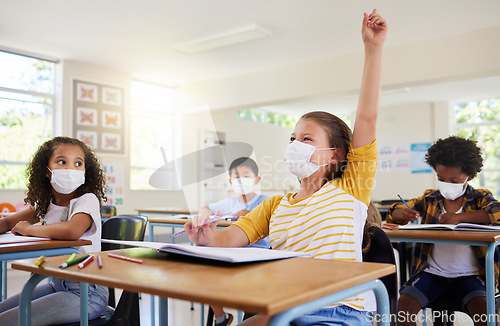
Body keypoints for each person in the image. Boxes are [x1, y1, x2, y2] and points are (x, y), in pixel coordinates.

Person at [185, 9, 387, 326]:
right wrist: (205, 236)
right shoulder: (273, 206)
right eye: (292, 137)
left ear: (334, 154)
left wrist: (372, 49)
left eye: (306, 138)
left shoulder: (350, 189)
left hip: (340, 310)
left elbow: (366, 118)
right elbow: (226, 241)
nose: (294, 143)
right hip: (287, 307)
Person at [386, 136, 500, 326]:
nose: (446, 184)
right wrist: (402, 213)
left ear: (469, 176)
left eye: (454, 180)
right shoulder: (430, 198)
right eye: (441, 179)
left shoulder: (480, 197)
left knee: (487, 318)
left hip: (470, 275)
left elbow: (497, 212)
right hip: (432, 274)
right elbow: (394, 212)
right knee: (400, 313)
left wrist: (459, 218)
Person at [0, 136, 108, 325]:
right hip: (58, 285)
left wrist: (29, 229)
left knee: (8, 321)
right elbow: (8, 222)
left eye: (78, 163)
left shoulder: (87, 200)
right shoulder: (46, 204)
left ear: (85, 171)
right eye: (61, 162)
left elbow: (71, 231)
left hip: (88, 293)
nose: (70, 169)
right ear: (46, 171)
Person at [199, 157, 269, 326]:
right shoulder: (229, 203)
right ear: (230, 181)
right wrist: (204, 214)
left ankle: (250, 315)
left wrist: (251, 216)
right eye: (236, 177)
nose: (241, 180)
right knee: (205, 272)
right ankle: (221, 318)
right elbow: (206, 207)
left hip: (258, 255)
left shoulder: (265, 202)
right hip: (231, 253)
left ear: (256, 180)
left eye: (246, 176)